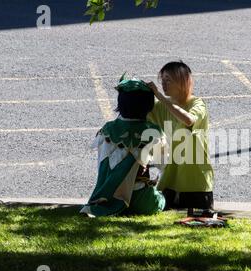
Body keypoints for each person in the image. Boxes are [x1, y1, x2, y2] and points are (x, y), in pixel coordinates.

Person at [80, 76, 167, 218]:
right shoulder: (153, 131)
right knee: (162, 199)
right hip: (140, 199)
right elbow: (163, 165)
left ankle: (109, 206)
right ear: (149, 105)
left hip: (108, 196)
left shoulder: (107, 129)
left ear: (120, 104)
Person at [145, 61, 215, 216]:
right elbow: (137, 115)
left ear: (184, 81)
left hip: (195, 183)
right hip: (169, 182)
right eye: (162, 80)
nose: (163, 84)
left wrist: (160, 97)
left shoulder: (197, 104)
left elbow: (188, 120)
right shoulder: (160, 106)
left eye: (168, 80)